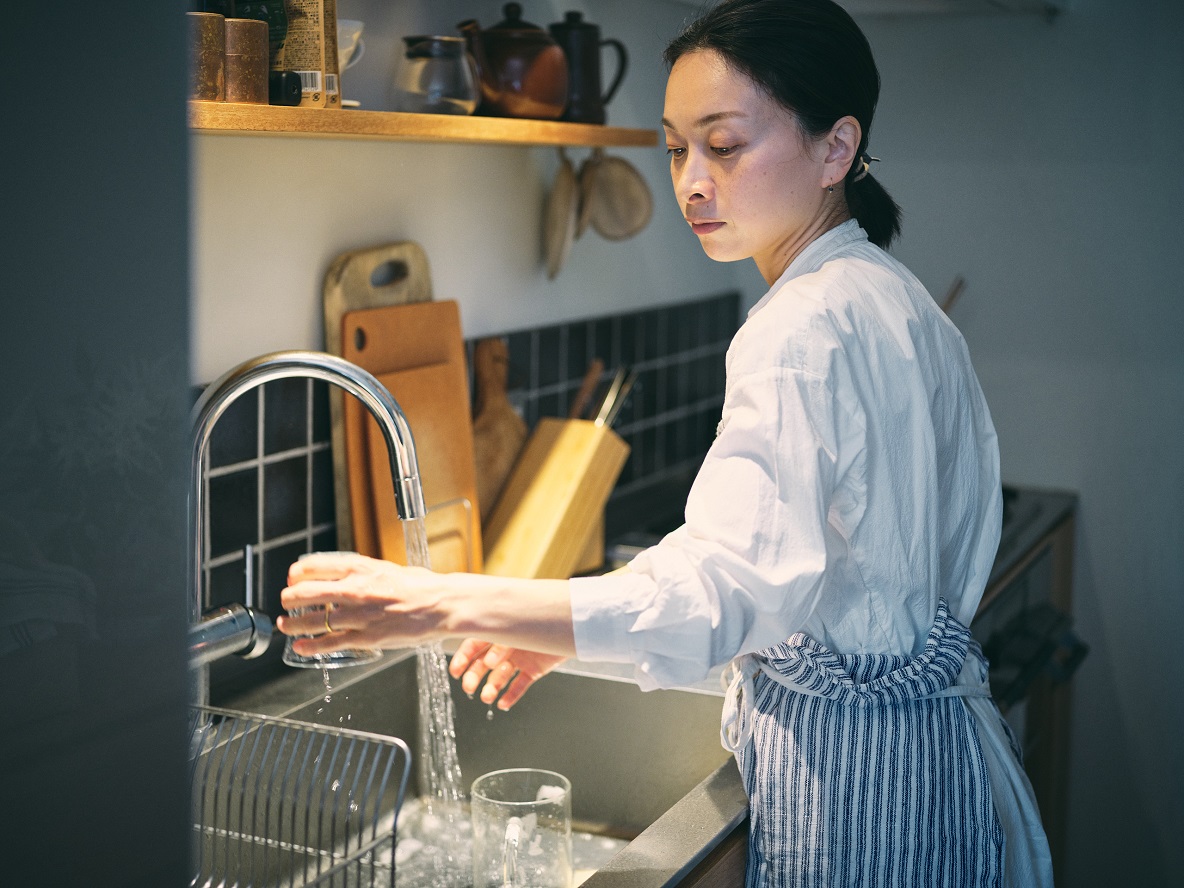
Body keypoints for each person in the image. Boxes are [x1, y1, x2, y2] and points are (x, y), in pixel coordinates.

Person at [278, 1, 1054, 884]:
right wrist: (567, 630)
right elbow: (781, 567)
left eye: (724, 146)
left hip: (851, 806)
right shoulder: (893, 297)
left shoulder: (797, 327)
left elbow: (724, 588)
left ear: (836, 149)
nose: (691, 181)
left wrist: (437, 601)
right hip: (929, 779)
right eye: (678, 147)